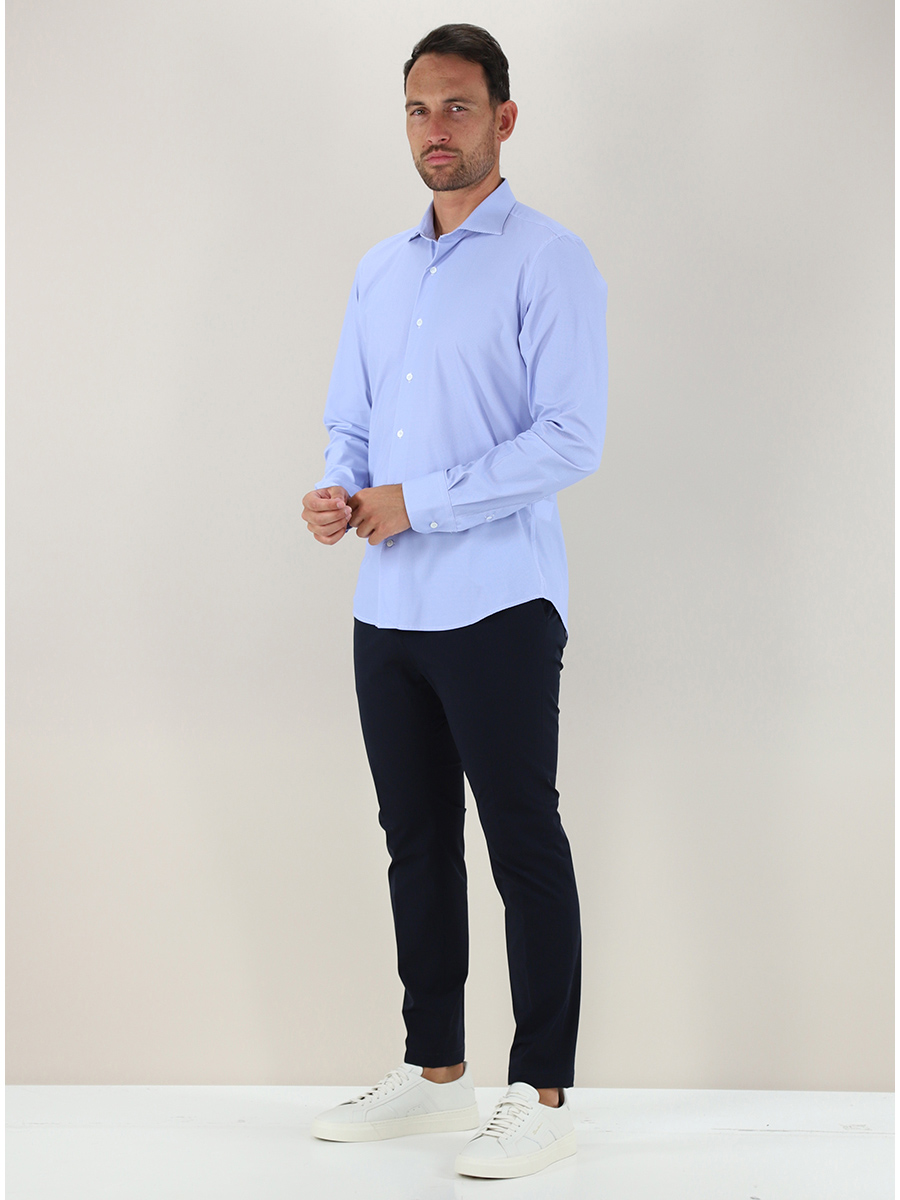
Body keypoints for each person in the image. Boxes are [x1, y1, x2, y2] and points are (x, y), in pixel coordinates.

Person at [303, 23, 607, 1180]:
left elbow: (570, 437)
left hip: (499, 603)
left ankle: (543, 1092)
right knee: (415, 840)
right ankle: (435, 1073)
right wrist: (339, 490)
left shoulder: (549, 260)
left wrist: (416, 502)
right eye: (420, 109)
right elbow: (352, 417)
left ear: (504, 119)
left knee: (522, 840)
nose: (437, 129)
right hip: (388, 609)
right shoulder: (380, 269)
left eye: (460, 106)